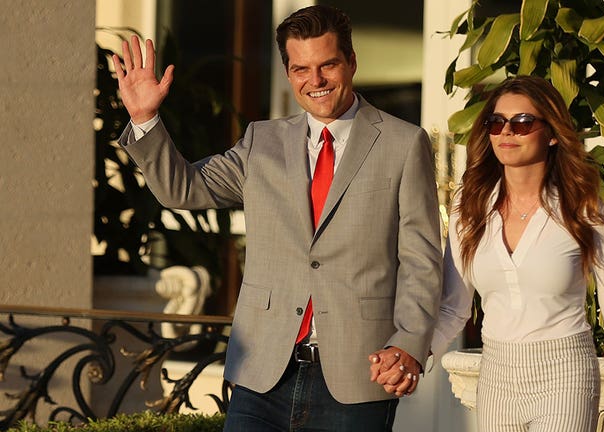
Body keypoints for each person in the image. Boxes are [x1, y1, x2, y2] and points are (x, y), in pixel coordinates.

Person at [111, 5, 442, 431]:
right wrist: (145, 119)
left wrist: (409, 342)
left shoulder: (403, 142)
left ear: (352, 62)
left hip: (358, 375)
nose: (316, 80)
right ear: (288, 73)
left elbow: (422, 259)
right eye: (301, 68)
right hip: (262, 373)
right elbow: (183, 189)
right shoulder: (261, 141)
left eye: (328, 65)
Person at [428, 76, 604, 432]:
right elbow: (453, 306)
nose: (506, 132)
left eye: (522, 123)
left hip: (565, 373)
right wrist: (411, 356)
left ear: (552, 133)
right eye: (496, 122)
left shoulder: (583, 208)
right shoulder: (471, 203)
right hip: (496, 375)